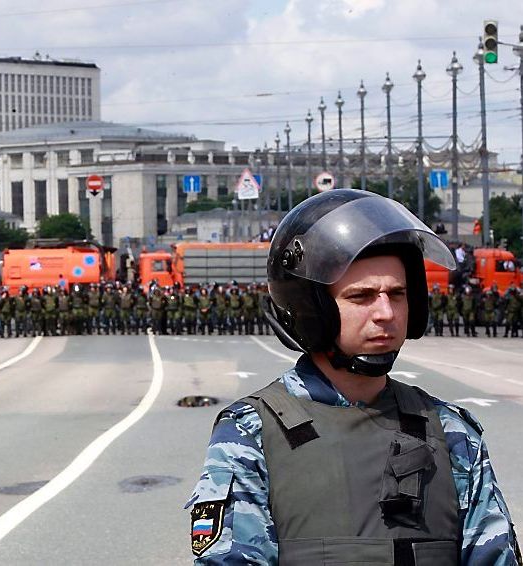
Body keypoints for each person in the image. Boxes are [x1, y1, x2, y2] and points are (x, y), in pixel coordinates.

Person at [186, 190, 519, 565]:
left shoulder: (452, 432)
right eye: (361, 297)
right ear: (311, 309)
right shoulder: (251, 433)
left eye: (397, 294)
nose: (385, 313)